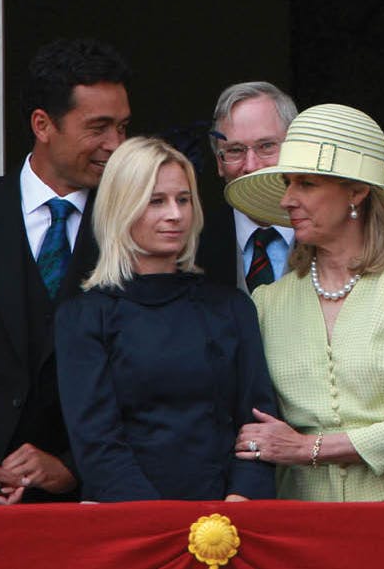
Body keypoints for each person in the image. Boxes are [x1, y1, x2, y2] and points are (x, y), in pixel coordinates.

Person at [0, 38, 131, 504]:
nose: (116, 145)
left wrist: (73, 464)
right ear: (43, 124)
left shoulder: (134, 227)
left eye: (122, 127)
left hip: (87, 505)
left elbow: (149, 379)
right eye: (99, 128)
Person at [225, 103, 384, 501]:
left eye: (307, 184)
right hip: (302, 520)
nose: (287, 200)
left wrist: (305, 449)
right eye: (287, 183)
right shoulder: (267, 301)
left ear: (357, 192)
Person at [55, 137, 278, 502]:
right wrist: (160, 523)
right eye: (156, 201)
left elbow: (259, 422)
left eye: (183, 199)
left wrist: (241, 500)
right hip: (129, 523)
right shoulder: (84, 316)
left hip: (227, 522)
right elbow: (97, 443)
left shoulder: (231, 307)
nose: (175, 214)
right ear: (121, 207)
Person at [196, 82, 297, 292]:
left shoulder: (329, 239)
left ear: (296, 148)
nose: (251, 166)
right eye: (235, 150)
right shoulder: (195, 245)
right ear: (219, 163)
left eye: (267, 146)